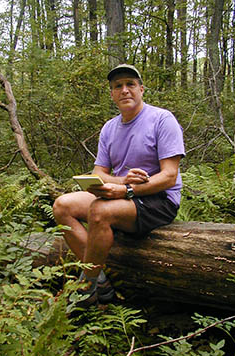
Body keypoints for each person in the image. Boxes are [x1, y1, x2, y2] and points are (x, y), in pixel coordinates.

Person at [53, 64, 185, 307]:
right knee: (62, 206)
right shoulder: (109, 128)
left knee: (99, 211)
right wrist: (122, 181)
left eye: (130, 84)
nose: (125, 90)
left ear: (141, 89)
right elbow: (98, 173)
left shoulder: (162, 120)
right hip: (124, 195)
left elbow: (169, 176)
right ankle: (99, 279)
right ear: (112, 94)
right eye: (118, 86)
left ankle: (85, 288)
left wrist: (127, 190)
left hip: (159, 200)